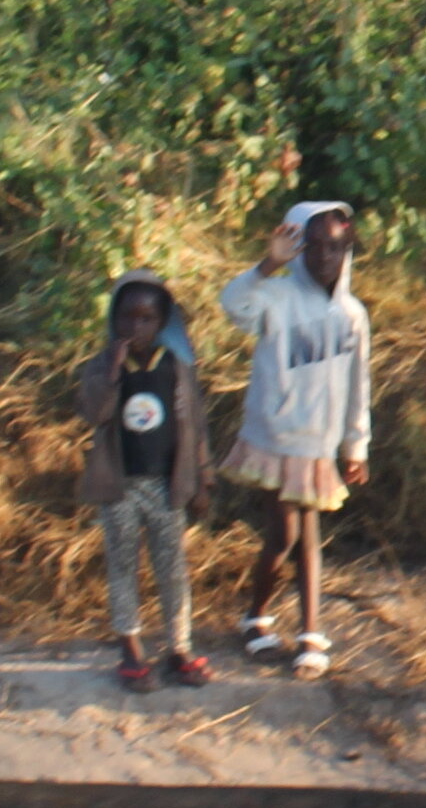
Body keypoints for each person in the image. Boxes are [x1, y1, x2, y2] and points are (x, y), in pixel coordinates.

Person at [223, 202, 374, 679]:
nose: (325, 256)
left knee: (304, 534)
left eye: (337, 247)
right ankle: (261, 617)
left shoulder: (352, 314)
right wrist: (269, 264)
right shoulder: (277, 297)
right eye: (314, 246)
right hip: (276, 440)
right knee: (288, 534)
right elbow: (233, 304)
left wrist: (356, 446)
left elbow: (359, 386)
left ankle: (303, 629)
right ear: (298, 246)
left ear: (348, 250)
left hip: (319, 445)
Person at [68, 271, 212, 689]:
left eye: (146, 318)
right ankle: (130, 648)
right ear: (114, 319)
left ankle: (178, 648)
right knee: (123, 566)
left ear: (163, 320)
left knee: (173, 570)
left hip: (167, 487)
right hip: (121, 487)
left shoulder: (177, 367)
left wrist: (203, 480)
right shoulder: (103, 365)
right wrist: (112, 372)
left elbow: (196, 427)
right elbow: (94, 413)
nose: (135, 327)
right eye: (126, 318)